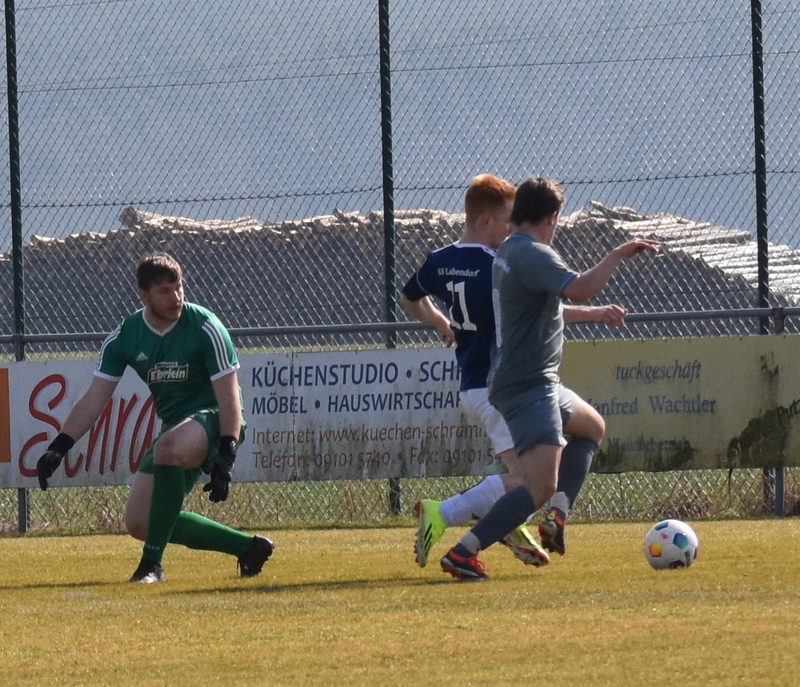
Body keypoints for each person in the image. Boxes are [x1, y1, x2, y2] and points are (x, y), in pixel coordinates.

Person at [401, 174, 627, 572]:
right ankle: (447, 515)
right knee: (531, 483)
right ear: (488, 219)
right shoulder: (498, 263)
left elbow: (408, 298)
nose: (513, 227)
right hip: (506, 385)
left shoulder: (441, 260)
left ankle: (513, 526)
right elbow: (536, 309)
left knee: (576, 438)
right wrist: (592, 310)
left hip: (473, 385)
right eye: (508, 218)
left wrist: (440, 323)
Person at [35, 252, 273, 584]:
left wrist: (227, 452)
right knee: (140, 522)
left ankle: (151, 566)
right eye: (164, 290)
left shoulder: (206, 326)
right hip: (175, 428)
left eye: (179, 287)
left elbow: (229, 397)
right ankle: (248, 548)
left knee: (167, 449)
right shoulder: (127, 335)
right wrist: (59, 446)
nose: (176, 297)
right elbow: (93, 398)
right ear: (143, 296)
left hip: (215, 419)